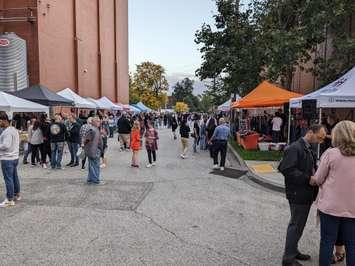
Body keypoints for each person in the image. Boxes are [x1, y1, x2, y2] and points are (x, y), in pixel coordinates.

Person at [278, 124, 327, 266]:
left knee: (299, 225)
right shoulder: (295, 147)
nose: (321, 141)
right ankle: (288, 258)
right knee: (296, 225)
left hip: (304, 193)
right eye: (319, 137)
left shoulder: (306, 146)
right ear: (311, 132)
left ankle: (293, 251)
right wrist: (308, 178)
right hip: (298, 193)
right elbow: (286, 168)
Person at [310, 121, 355, 266]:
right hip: (353, 208)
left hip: (330, 207)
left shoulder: (331, 153)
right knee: (352, 243)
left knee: (327, 241)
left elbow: (318, 178)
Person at [0, 112, 21, 208]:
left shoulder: (7, 132)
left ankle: (9, 199)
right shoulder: (14, 130)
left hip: (7, 158)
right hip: (14, 157)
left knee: (8, 178)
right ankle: (16, 194)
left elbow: (6, 145)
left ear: (4, 120)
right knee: (14, 177)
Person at [84, 116, 103, 185]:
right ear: (93, 122)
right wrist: (84, 145)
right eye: (97, 121)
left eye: (99, 121)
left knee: (92, 165)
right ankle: (95, 180)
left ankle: (90, 179)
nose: (99, 122)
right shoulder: (92, 130)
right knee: (94, 166)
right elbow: (87, 139)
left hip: (95, 149)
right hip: (93, 150)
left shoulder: (95, 129)